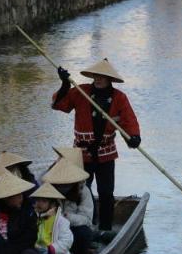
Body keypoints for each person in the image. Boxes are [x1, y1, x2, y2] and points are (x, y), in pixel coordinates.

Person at [51, 58, 141, 233]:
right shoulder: (81, 92)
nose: (98, 79)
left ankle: (106, 228)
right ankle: (87, 226)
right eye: (96, 76)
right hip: (82, 154)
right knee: (81, 191)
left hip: (106, 153)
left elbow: (129, 121)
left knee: (106, 192)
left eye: (102, 76)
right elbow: (58, 104)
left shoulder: (119, 98)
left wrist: (134, 137)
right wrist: (63, 84)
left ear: (109, 79)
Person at [44, 156, 94, 254]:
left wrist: (65, 217)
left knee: (84, 234)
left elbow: (87, 219)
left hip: (73, 228)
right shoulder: (47, 190)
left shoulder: (83, 191)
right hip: (51, 229)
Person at [31, 183, 73, 254]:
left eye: (44, 201)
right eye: (38, 200)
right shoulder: (34, 218)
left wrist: (50, 249)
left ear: (52, 204)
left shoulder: (61, 221)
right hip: (36, 252)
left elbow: (66, 241)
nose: (39, 203)